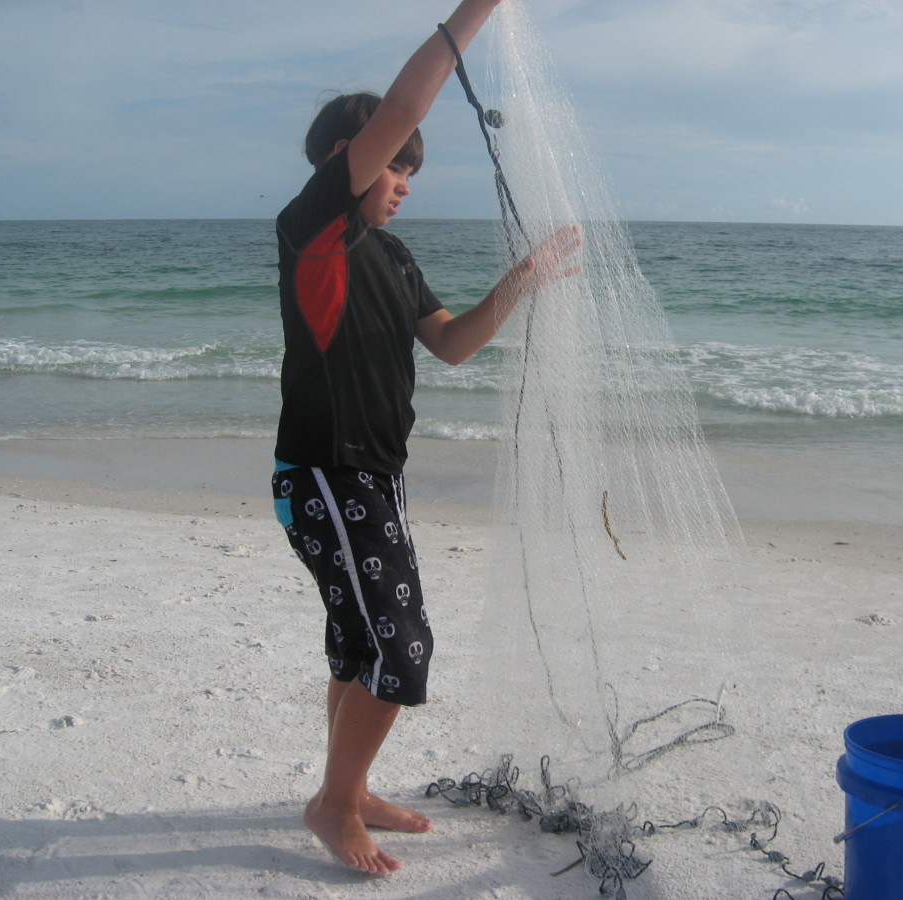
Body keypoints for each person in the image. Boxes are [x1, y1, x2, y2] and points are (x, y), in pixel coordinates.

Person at [270, 0, 581, 875]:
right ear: (345, 159)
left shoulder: (395, 258)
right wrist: (476, 11)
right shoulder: (314, 230)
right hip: (326, 474)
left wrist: (522, 280)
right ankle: (335, 807)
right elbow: (404, 107)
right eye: (394, 165)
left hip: (373, 477)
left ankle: (350, 788)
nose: (406, 177)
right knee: (401, 646)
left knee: (357, 643)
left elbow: (451, 343)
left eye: (412, 169)